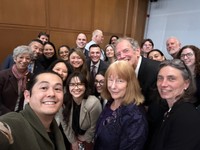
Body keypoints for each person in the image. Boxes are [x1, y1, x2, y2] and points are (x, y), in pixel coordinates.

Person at [0, 71, 66, 150]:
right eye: (44, 88)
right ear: (27, 96)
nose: (51, 94)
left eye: (57, 89)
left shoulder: (56, 131)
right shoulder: (13, 123)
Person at [93, 61, 148, 150]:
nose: (113, 86)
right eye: (110, 80)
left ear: (130, 84)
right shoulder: (111, 102)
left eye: (119, 81)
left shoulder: (135, 117)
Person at [149, 59, 200, 150]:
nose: (163, 84)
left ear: (186, 84)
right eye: (160, 78)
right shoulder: (170, 110)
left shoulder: (186, 117)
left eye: (171, 78)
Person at [62, 72, 102, 150]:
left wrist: (84, 138)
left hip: (89, 139)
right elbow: (64, 124)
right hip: (73, 137)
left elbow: (95, 126)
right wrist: (73, 141)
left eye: (80, 84)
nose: (76, 88)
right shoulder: (64, 101)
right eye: (72, 84)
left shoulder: (93, 102)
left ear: (85, 86)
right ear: (68, 87)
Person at [0, 45, 32, 116]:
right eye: (21, 57)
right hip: (3, 115)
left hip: (22, 116)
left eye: (27, 58)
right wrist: (11, 115)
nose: (24, 61)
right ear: (15, 59)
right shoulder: (2, 75)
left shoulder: (31, 77)